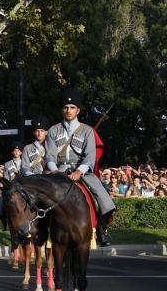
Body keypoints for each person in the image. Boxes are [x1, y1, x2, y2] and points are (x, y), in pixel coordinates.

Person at [44, 90, 115, 246]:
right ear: (62, 110)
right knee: (38, 197)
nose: (69, 110)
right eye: (66, 107)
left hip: (81, 172)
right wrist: (54, 170)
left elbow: (90, 157)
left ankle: (101, 232)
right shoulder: (53, 131)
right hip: (58, 171)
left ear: (78, 110)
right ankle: (40, 231)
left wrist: (79, 171)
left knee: (103, 199)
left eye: (72, 107)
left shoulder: (88, 131)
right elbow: (49, 155)